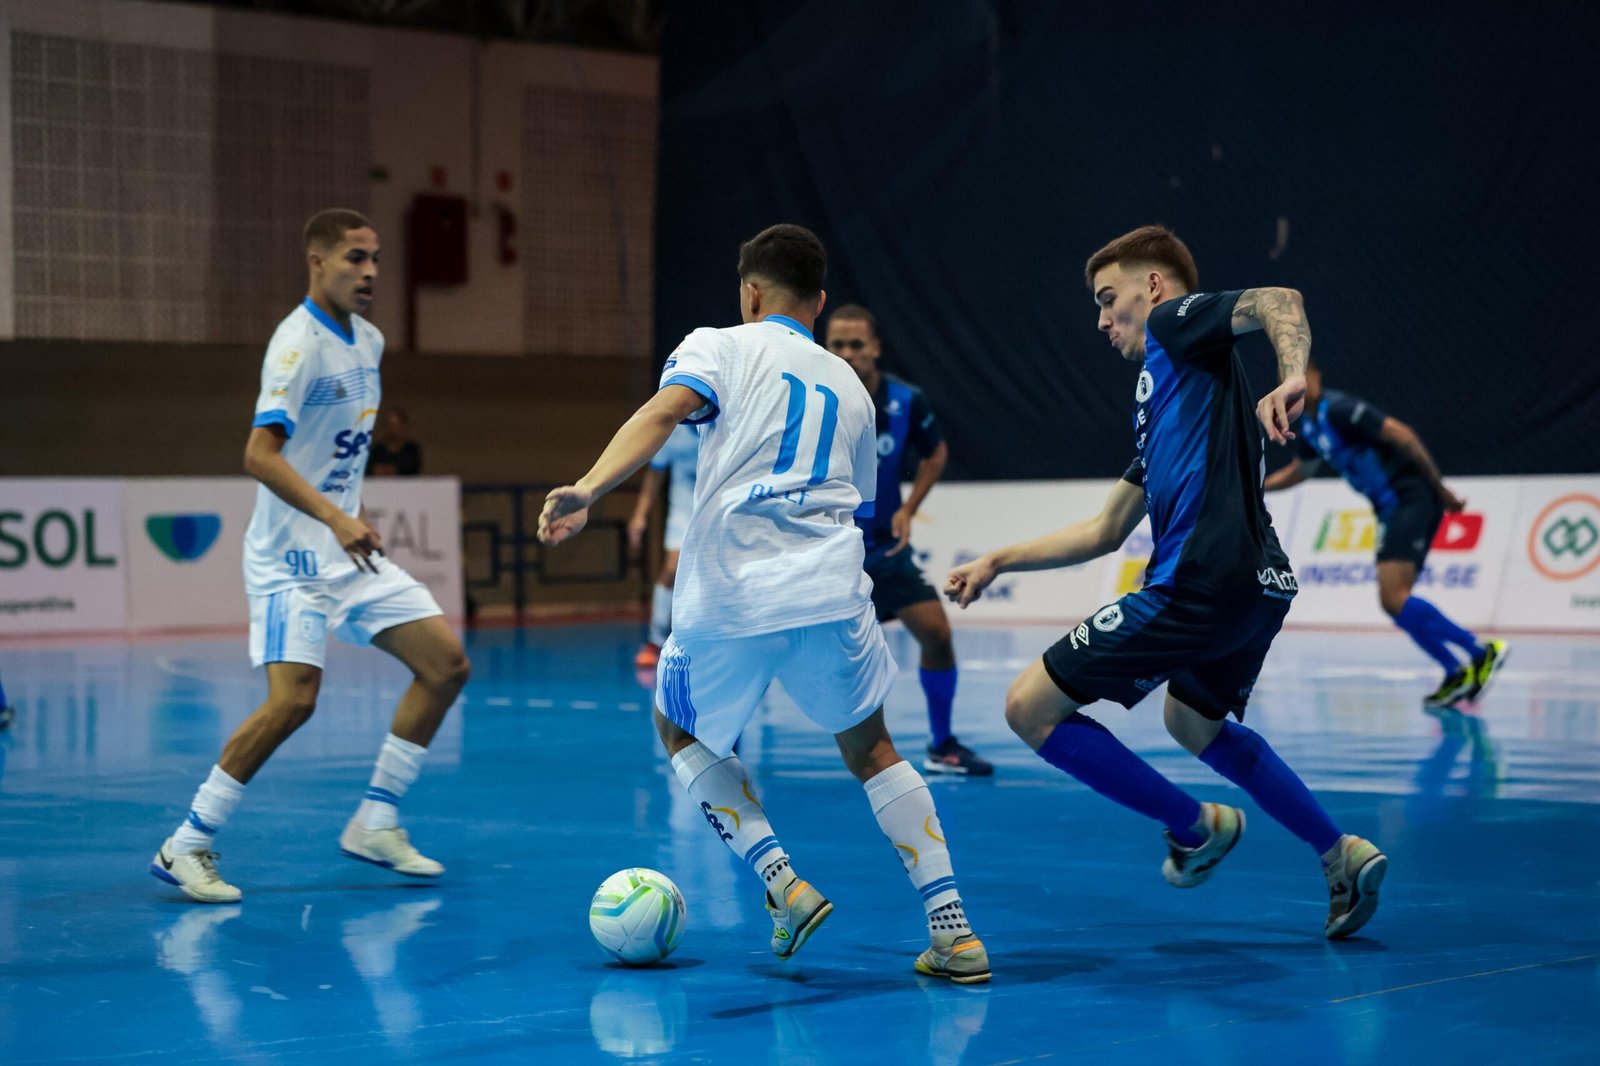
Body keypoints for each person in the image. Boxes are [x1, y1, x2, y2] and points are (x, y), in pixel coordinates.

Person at [539, 224, 989, 982]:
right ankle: (955, 931)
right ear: (817, 302)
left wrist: (589, 487)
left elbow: (660, 414)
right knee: (873, 750)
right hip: (831, 591)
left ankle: (783, 884)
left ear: (750, 292)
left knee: (678, 727)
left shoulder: (720, 345)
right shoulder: (853, 386)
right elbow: (867, 506)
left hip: (733, 592)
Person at [946, 225, 1387, 940]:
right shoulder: (1172, 402)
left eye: (1107, 298)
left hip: (1200, 582)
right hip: (1261, 587)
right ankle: (1341, 853)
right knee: (1192, 721)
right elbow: (1102, 531)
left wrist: (1293, 374)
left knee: (1030, 708)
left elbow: (1280, 299)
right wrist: (1000, 559)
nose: (1100, 319)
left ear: (1152, 288)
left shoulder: (1173, 325)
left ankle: (1197, 827)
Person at [150, 209, 471, 903]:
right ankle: (188, 843)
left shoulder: (371, 341)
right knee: (293, 702)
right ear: (317, 261)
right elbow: (258, 455)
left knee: (445, 666)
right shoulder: (295, 347)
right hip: (289, 558)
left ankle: (376, 821)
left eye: (376, 259)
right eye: (356, 258)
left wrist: (345, 516)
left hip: (345, 551)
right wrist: (334, 516)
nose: (371, 273)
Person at [1263, 364, 1507, 708]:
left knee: (1394, 597)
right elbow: (1300, 472)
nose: (1297, 387)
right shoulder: (1313, 427)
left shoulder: (1342, 409)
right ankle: (1456, 670)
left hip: (1412, 499)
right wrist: (1257, 486)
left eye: (1303, 378)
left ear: (1315, 378)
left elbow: (1402, 434)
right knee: (1394, 602)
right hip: (1390, 510)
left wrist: (1440, 489)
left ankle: (1480, 651)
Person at [825, 305, 991, 777]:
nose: (847, 353)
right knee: (777, 646)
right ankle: (724, 741)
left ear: (875, 348)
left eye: (856, 344)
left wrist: (908, 508)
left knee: (937, 633)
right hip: (831, 555)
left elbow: (935, 454)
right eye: (837, 345)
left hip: (887, 553)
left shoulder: (906, 400)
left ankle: (942, 746)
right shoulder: (816, 402)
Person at [626, 423, 700, 670]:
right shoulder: (674, 431)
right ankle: (655, 642)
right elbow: (655, 473)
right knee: (671, 571)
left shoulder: (725, 425)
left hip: (714, 511)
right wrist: (639, 515)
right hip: (682, 510)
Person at [366, 406, 423, 476]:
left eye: (396, 425)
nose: (393, 429)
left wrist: (395, 470)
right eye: (390, 425)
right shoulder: (378, 449)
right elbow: (369, 469)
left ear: (403, 425)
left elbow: (413, 470)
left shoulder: (411, 449)